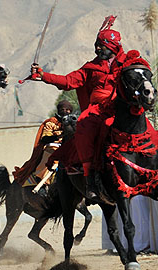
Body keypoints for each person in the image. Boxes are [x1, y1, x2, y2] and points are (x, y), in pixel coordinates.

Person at [30, 15, 127, 200]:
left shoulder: (126, 65)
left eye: (102, 45)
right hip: (98, 112)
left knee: (144, 130)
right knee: (83, 130)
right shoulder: (90, 67)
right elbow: (68, 81)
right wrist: (43, 75)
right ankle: (89, 177)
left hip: (122, 109)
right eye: (96, 45)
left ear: (112, 46)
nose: (97, 48)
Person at [13, 100, 74, 188]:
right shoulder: (51, 123)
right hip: (53, 147)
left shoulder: (72, 123)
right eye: (62, 109)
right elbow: (45, 138)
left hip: (68, 148)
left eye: (68, 110)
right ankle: (40, 179)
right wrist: (60, 136)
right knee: (49, 155)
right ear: (58, 110)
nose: (65, 111)